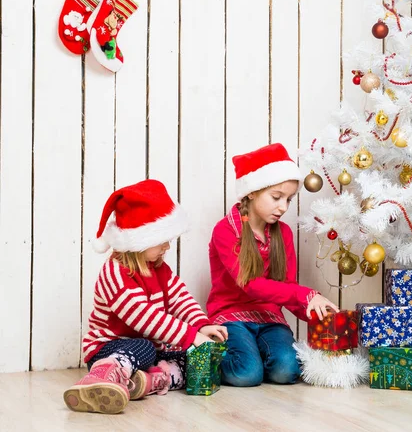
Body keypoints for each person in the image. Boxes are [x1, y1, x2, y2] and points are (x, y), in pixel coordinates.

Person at [63, 179, 226, 414]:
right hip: (108, 347)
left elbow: (180, 298)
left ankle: (143, 381)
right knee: (145, 347)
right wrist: (191, 335)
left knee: (187, 357)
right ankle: (102, 374)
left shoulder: (158, 268)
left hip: (148, 346)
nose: (167, 247)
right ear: (141, 240)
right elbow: (144, 317)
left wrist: (202, 325)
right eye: (162, 240)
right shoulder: (115, 273)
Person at [206, 143, 338, 387]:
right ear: (252, 192)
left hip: (269, 318)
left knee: (287, 371)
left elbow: (287, 288)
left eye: (288, 199)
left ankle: (256, 354)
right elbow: (251, 285)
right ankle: (214, 356)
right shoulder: (226, 230)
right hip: (231, 317)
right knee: (246, 374)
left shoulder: (282, 233)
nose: (283, 207)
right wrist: (308, 295)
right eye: (277, 197)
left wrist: (314, 313)